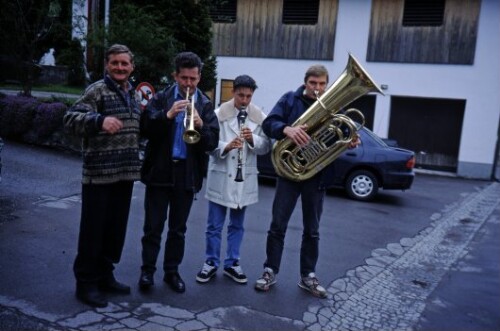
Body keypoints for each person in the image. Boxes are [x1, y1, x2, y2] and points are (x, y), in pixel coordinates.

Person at [254, 64, 360, 298]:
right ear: (306, 82)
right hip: (289, 174)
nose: (318, 88)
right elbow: (269, 123)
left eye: (322, 84)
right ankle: (269, 270)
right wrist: (286, 129)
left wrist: (348, 141)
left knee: (312, 231)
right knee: (277, 226)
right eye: (313, 83)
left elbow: (334, 139)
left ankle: (308, 276)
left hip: (316, 176)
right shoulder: (289, 100)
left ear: (327, 83)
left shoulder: (334, 105)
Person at [63, 44, 141, 308]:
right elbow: (70, 119)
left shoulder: (133, 93)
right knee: (92, 233)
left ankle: (105, 275)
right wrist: (98, 121)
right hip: (99, 176)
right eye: (115, 63)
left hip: (125, 174)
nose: (120, 67)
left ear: (132, 66)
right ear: (107, 65)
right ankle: (85, 283)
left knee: (114, 231)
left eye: (125, 63)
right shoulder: (97, 90)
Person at [138, 52, 219, 293]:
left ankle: (171, 273)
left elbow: (212, 143)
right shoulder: (162, 98)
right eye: (184, 78)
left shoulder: (204, 104)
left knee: (178, 230)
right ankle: (147, 272)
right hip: (160, 170)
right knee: (152, 227)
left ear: (199, 77)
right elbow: (145, 128)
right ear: (175, 75)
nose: (188, 84)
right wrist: (167, 115)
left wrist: (202, 126)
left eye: (193, 79)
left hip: (186, 173)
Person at [196, 75, 270, 284]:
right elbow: (208, 144)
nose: (245, 100)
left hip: (243, 179)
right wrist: (226, 146)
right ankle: (210, 262)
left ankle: (232, 263)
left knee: (237, 226)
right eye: (241, 95)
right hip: (221, 176)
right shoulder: (218, 114)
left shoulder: (259, 117)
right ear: (233, 93)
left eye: (248, 96)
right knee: (214, 225)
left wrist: (252, 139)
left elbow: (266, 146)